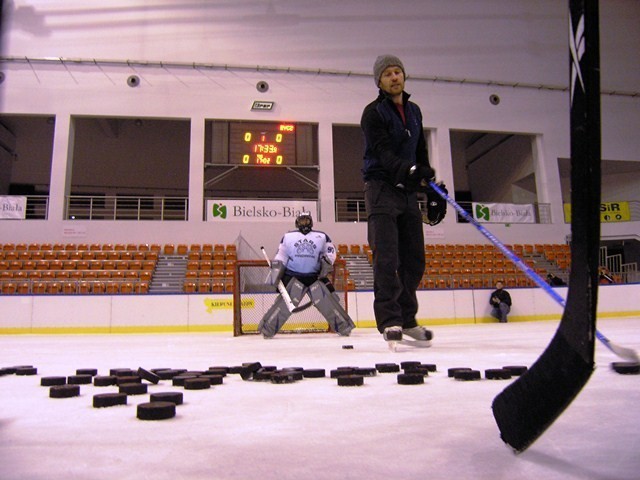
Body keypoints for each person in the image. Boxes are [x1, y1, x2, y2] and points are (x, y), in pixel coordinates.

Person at [360, 54, 447, 347]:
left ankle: (407, 319)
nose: (394, 77)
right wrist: (409, 171)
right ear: (380, 82)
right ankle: (390, 320)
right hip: (381, 187)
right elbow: (383, 152)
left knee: (415, 259)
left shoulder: (415, 112)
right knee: (387, 257)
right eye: (387, 74)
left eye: (398, 72)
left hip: (408, 192)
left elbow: (419, 150)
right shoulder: (373, 113)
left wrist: (429, 183)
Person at [257, 212, 355, 338]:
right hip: (294, 277)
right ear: (297, 222)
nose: (304, 224)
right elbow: (282, 255)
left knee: (327, 303)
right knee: (284, 306)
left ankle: (344, 327)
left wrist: (327, 262)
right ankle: (267, 329)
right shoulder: (288, 236)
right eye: (302, 221)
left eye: (306, 221)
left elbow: (330, 251)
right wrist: (276, 270)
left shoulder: (322, 236)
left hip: (315, 277)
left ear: (311, 222)